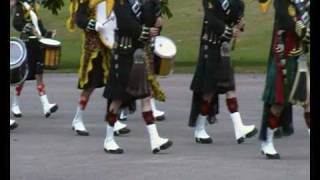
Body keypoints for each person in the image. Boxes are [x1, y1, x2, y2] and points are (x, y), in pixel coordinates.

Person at [102, 0, 172, 154]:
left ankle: (155, 140)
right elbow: (125, 23)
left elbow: (149, 21)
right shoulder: (119, 2)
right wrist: (146, 31)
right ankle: (108, 139)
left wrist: (155, 18)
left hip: (138, 55)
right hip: (123, 54)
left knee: (145, 96)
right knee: (117, 98)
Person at [188, 0, 258, 144]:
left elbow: (236, 15)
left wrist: (239, 22)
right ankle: (200, 128)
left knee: (229, 87)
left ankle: (239, 128)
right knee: (208, 92)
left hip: (222, 50)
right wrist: (229, 31)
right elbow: (211, 19)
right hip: (210, 49)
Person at [66, 0, 130, 136]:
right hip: (94, 46)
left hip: (110, 45)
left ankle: (112, 119)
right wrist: (94, 24)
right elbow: (80, 18)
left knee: (112, 84)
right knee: (90, 84)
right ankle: (77, 119)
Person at [258, 0, 310, 159]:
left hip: (299, 58)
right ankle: (267, 142)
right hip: (283, 59)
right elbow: (287, 21)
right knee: (278, 104)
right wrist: (303, 30)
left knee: (309, 102)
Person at [12, 0, 58, 118]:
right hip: (27, 43)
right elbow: (16, 23)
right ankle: (15, 104)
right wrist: (27, 27)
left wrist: (47, 33)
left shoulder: (34, 6)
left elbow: (39, 25)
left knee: (39, 73)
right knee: (22, 76)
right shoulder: (21, 6)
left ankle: (45, 105)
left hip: (37, 43)